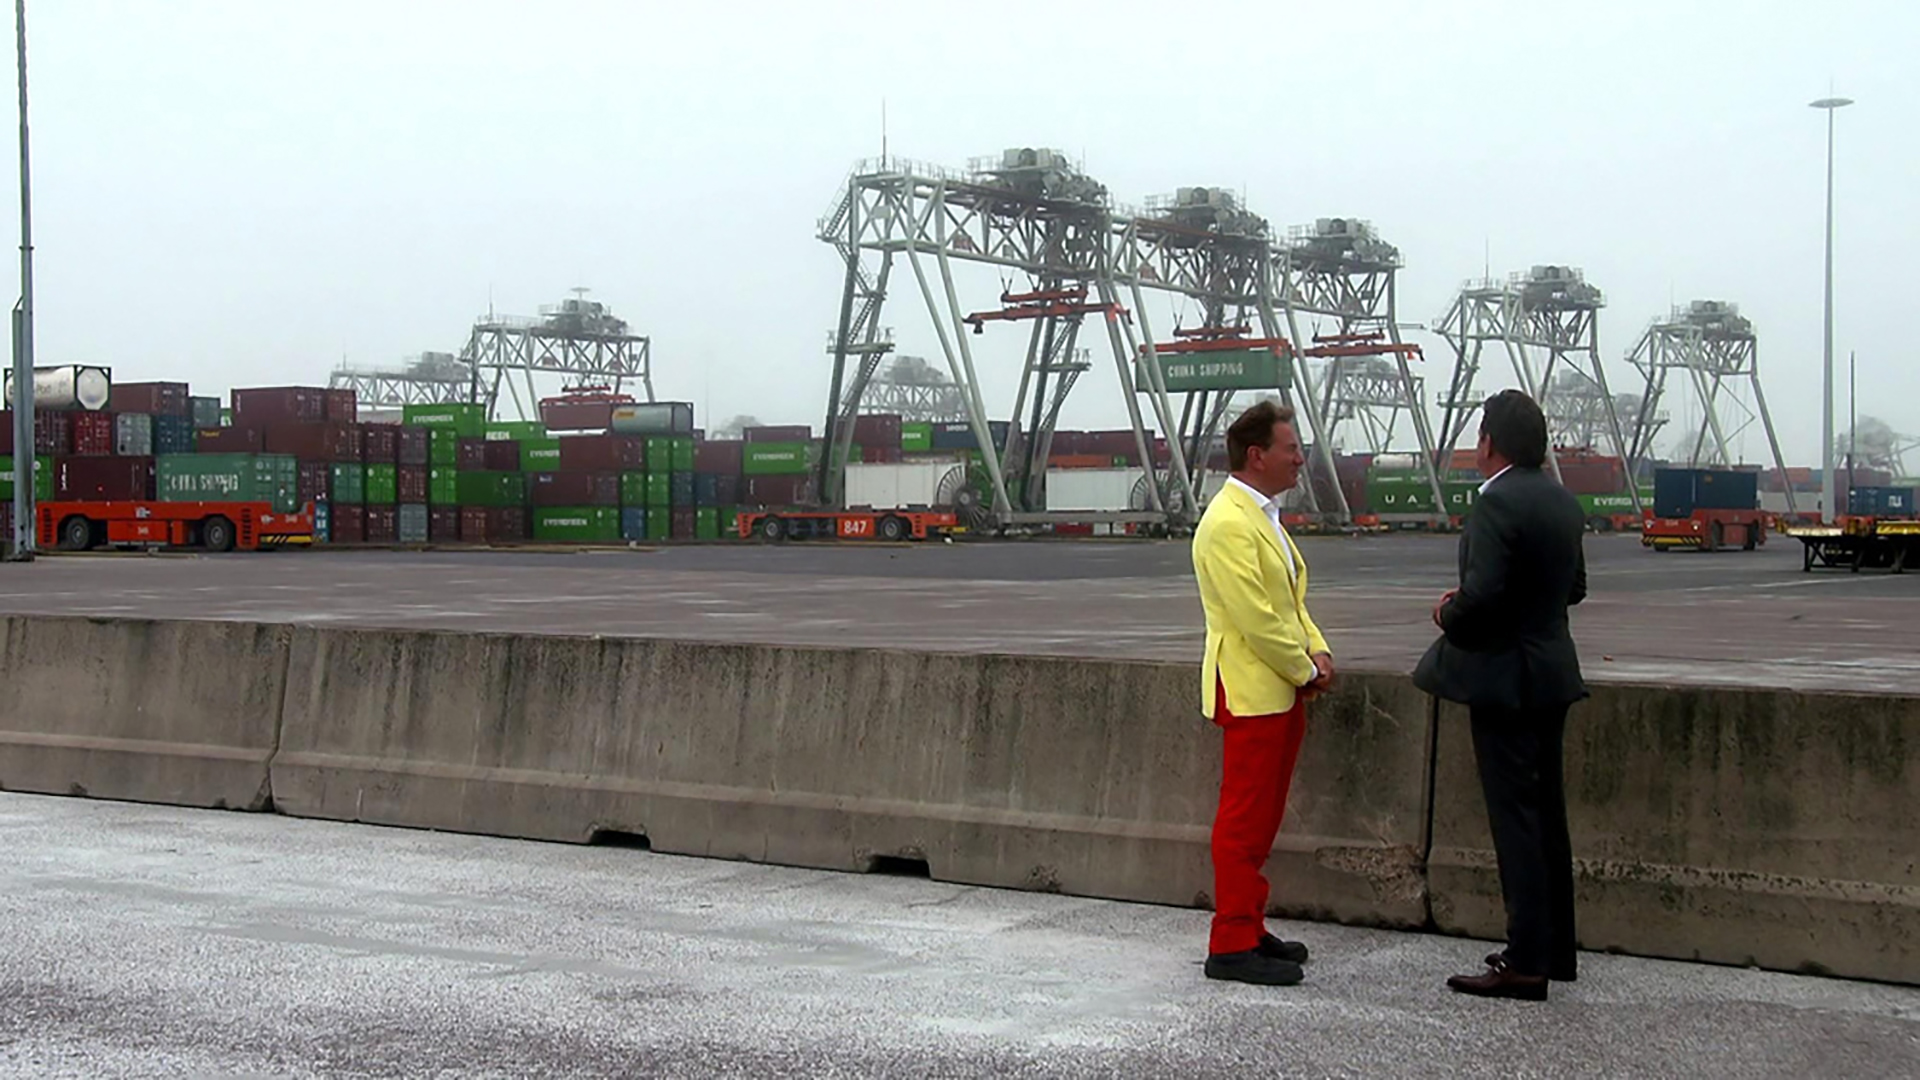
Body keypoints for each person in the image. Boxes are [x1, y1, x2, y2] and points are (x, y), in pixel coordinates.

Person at [1413, 389, 1588, 1002]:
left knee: (1514, 822)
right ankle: (1553, 951)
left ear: (1488, 443)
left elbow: (1483, 595)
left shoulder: (1495, 502)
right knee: (1547, 819)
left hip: (1503, 679)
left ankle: (1524, 962)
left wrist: (1448, 613)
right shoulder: (1563, 501)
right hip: (1552, 672)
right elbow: (1575, 589)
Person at [1190, 399, 1334, 987]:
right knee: (1242, 821)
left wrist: (1317, 649)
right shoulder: (1227, 523)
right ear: (1257, 455)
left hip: (1277, 689)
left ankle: (1249, 925)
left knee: (1264, 817)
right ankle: (1229, 943)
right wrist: (1305, 670)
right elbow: (1256, 618)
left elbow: (1290, 604)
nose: (1300, 458)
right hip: (1251, 692)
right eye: (1290, 448)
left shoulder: (1261, 515)